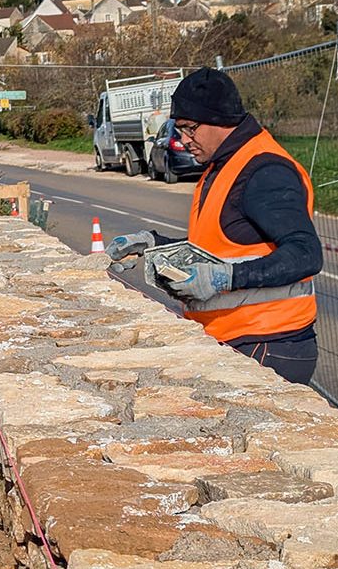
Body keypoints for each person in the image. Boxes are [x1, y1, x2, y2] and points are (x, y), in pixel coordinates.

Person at [106, 68, 322, 384]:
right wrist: (155, 243)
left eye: (188, 129)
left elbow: (306, 253)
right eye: (176, 129)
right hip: (238, 337)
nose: (182, 139)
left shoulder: (265, 172)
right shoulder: (223, 164)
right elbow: (218, 245)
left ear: (219, 121)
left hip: (268, 343)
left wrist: (225, 278)